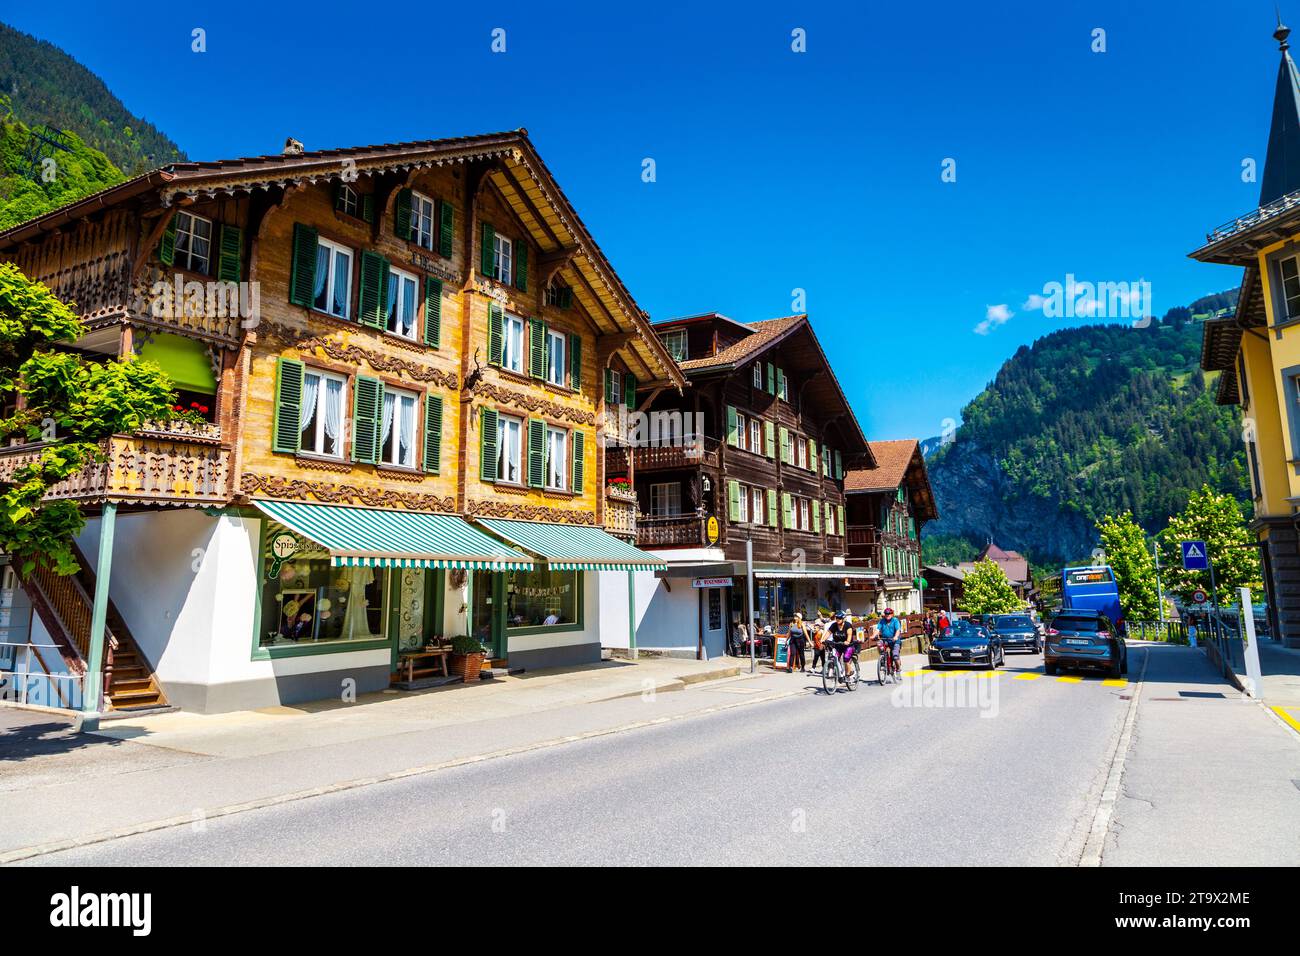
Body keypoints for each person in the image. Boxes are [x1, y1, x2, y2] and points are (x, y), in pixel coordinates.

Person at [877, 607, 903, 675]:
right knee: (879, 643)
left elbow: (898, 630)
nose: (887, 615)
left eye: (889, 613)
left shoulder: (895, 620)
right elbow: (877, 630)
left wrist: (896, 636)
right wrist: (873, 635)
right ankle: (882, 658)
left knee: (895, 656)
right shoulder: (882, 621)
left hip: (895, 641)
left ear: (892, 614)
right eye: (886, 613)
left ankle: (898, 669)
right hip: (885, 639)